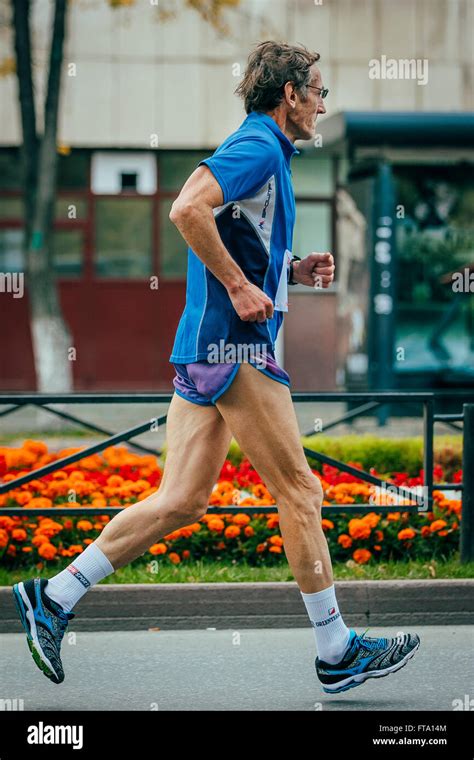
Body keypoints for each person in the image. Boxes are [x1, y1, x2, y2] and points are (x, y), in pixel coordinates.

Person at [13, 41, 420, 694]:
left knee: (182, 500)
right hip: (235, 348)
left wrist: (289, 269)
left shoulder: (267, 154)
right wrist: (237, 288)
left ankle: (53, 596)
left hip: (206, 347)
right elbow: (186, 208)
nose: (321, 104)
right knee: (302, 492)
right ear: (288, 94)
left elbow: (231, 230)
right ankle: (336, 649)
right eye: (316, 91)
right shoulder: (259, 144)